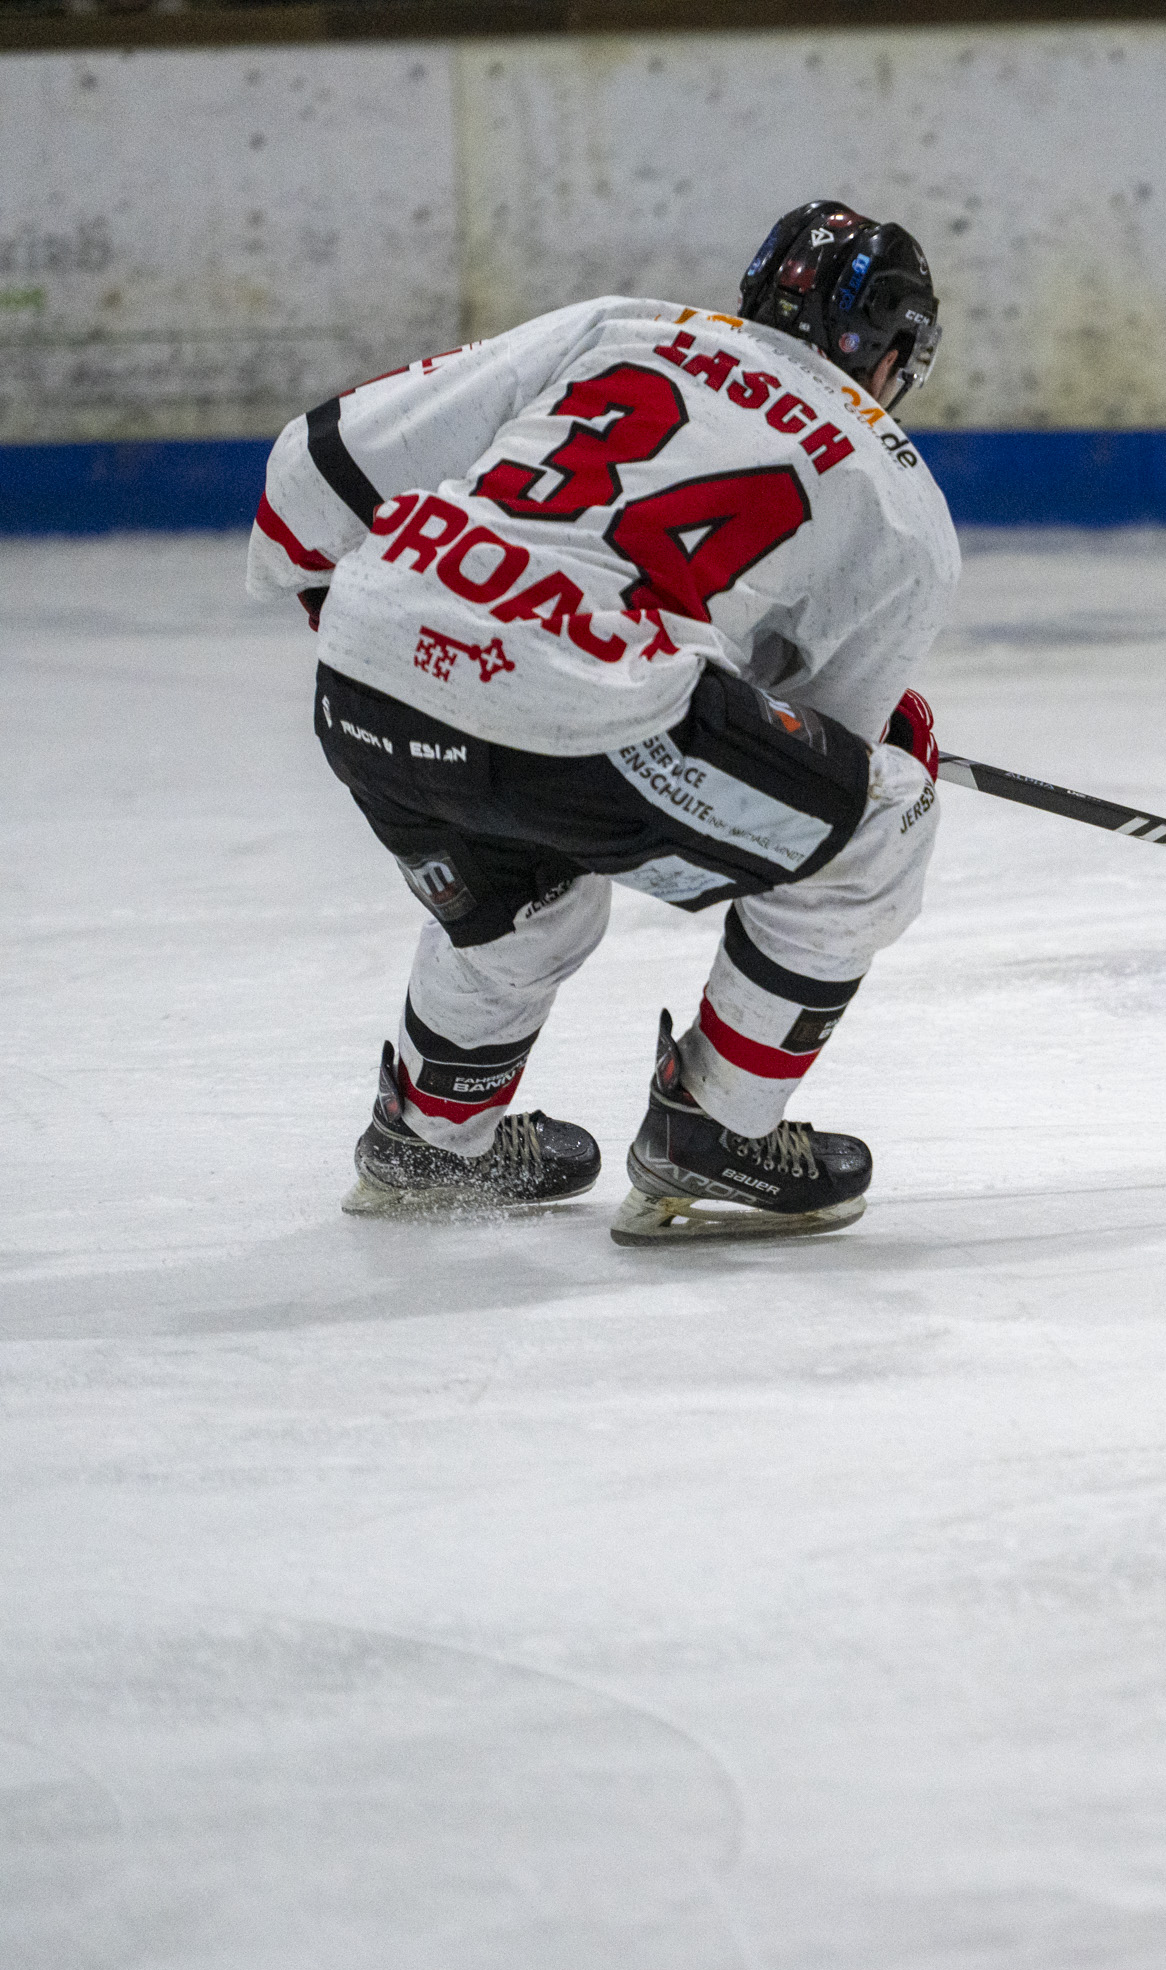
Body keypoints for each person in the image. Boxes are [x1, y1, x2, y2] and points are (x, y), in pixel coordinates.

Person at [247, 201, 962, 1240]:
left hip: (366, 674)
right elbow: (809, 783)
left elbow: (307, 476)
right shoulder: (902, 504)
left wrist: (391, 635)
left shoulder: (624, 327)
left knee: (526, 893)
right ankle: (714, 1131)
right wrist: (883, 756)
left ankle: (431, 1140)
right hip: (576, 718)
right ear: (895, 352)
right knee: (884, 822)